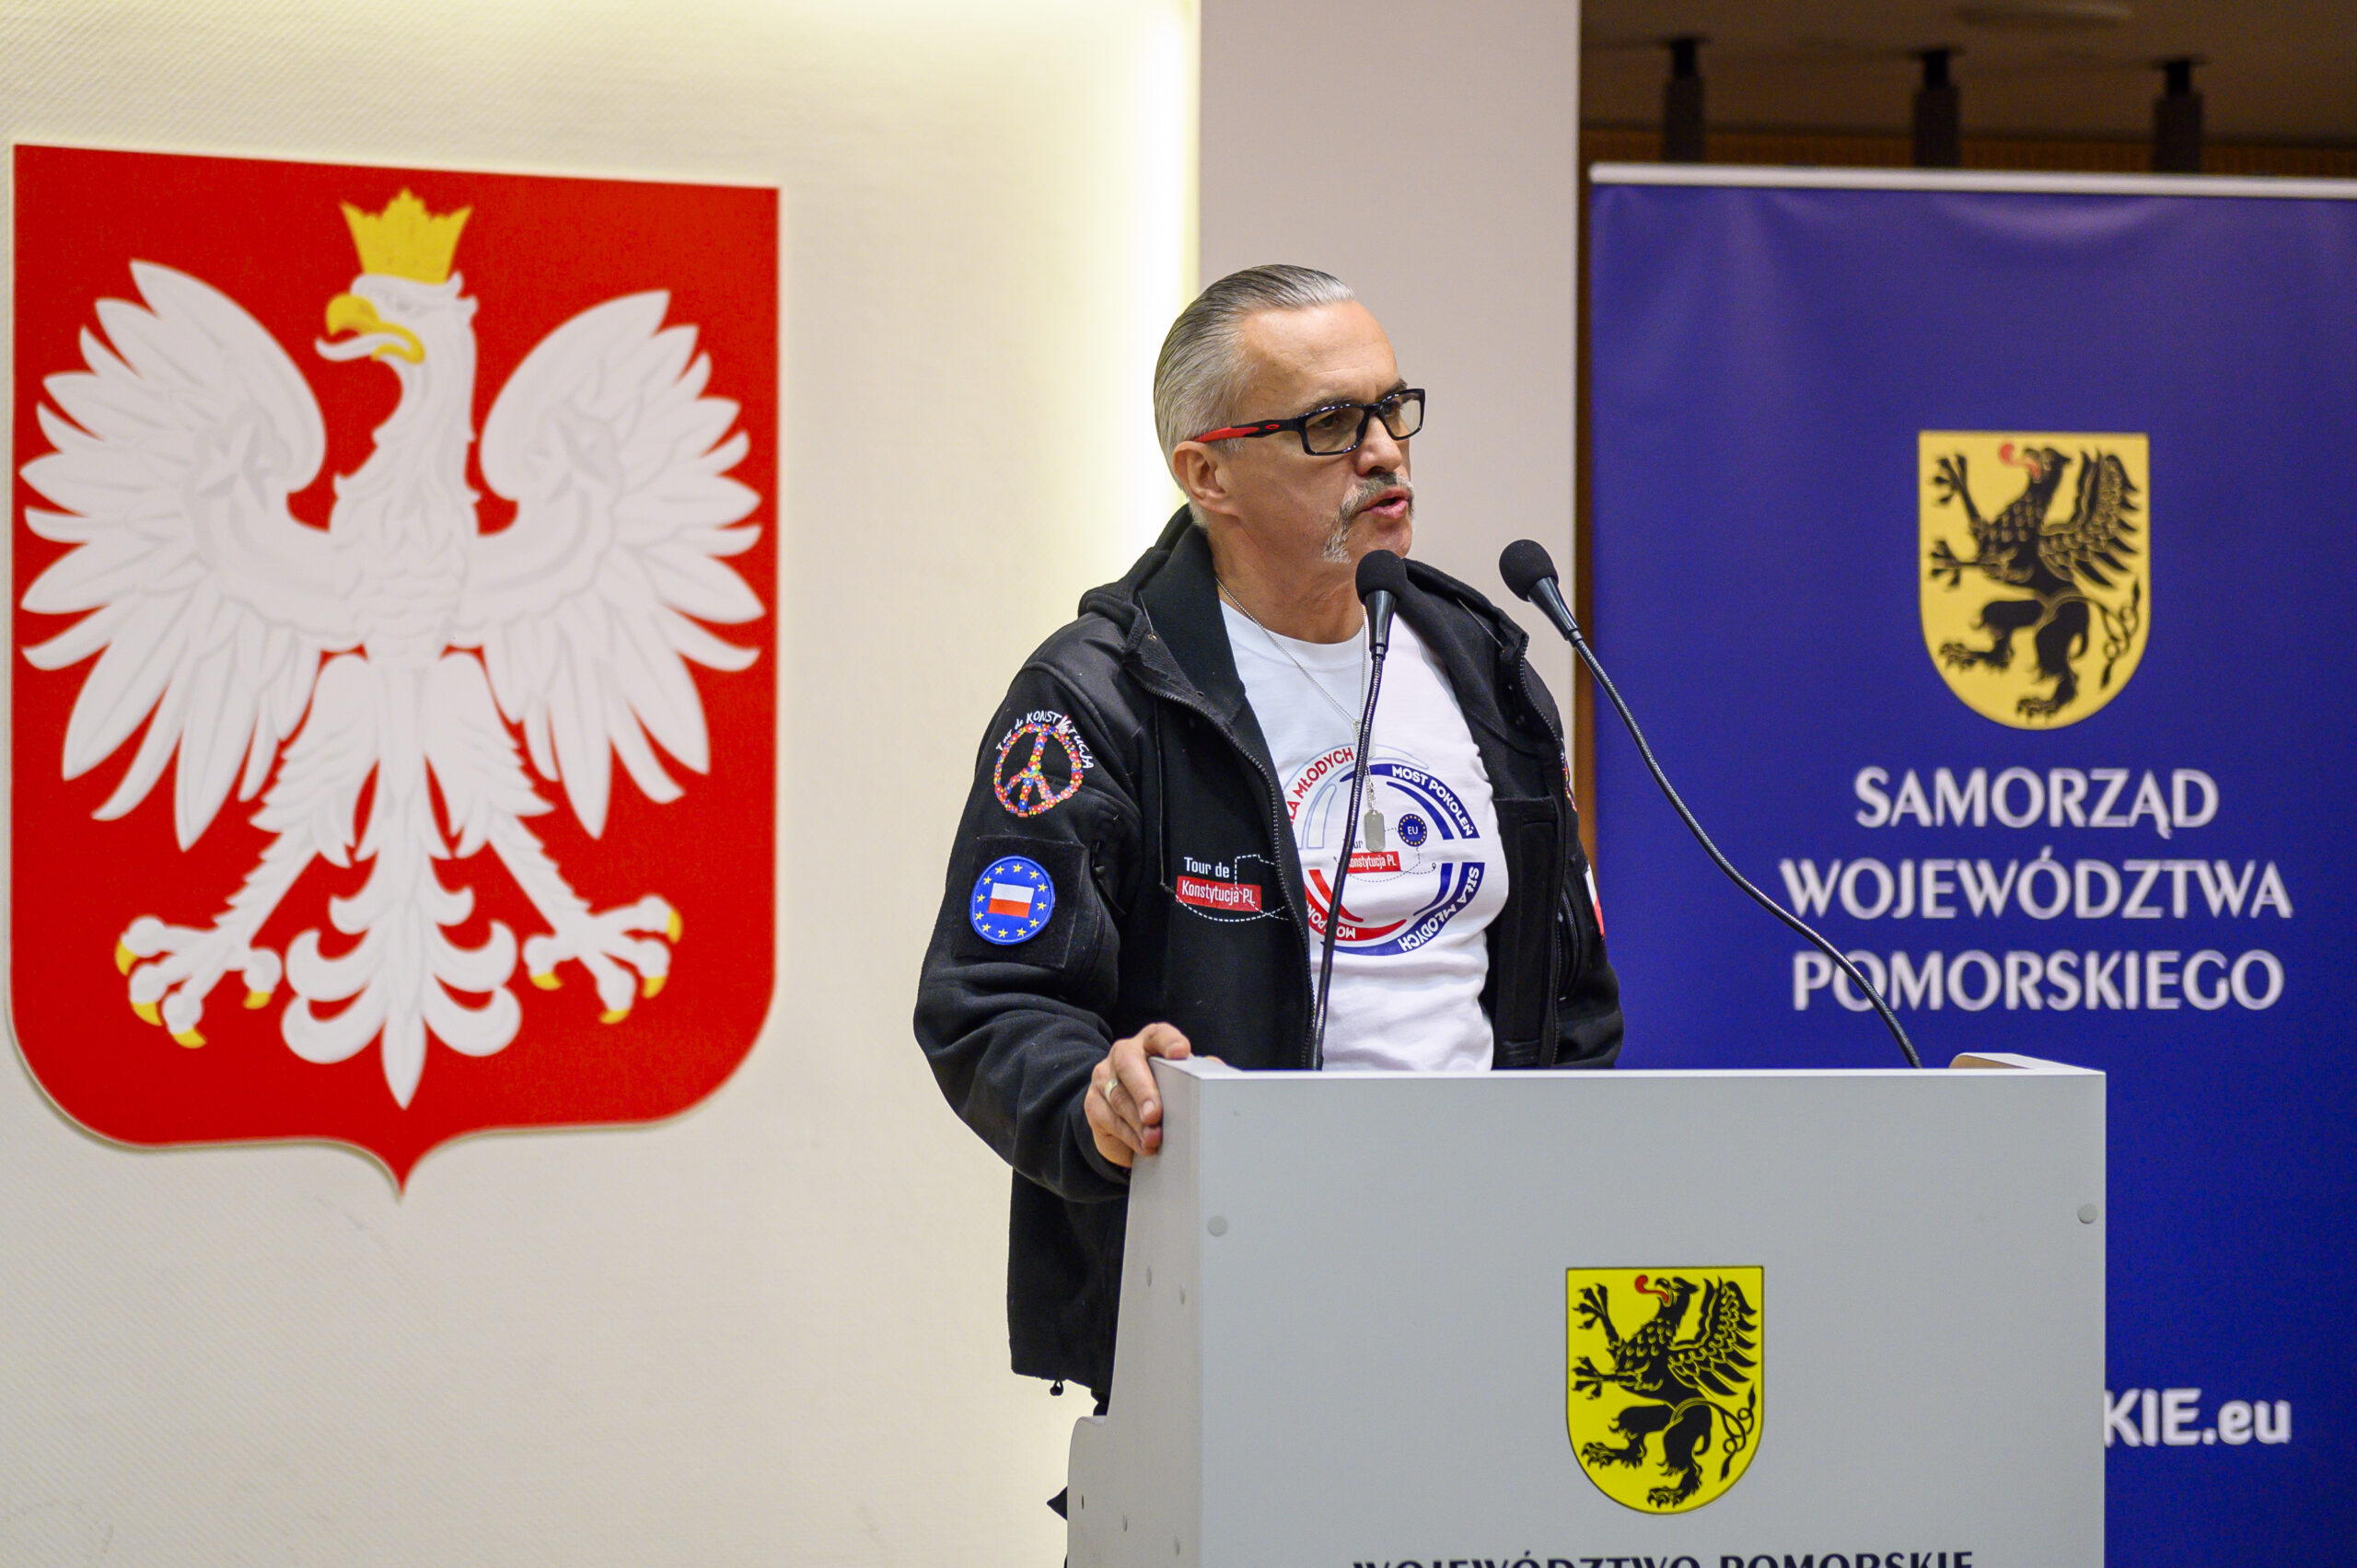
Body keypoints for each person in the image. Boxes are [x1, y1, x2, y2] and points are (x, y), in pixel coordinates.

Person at [913, 264, 1621, 1423]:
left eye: (1392, 409)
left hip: (1485, 1287)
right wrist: (1095, 1097)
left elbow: (1570, 997)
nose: (1383, 452)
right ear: (1207, 473)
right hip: (1224, 1307)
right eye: (1329, 424)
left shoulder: (1484, 666)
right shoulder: (1103, 697)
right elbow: (987, 1003)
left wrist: (1560, 1221)